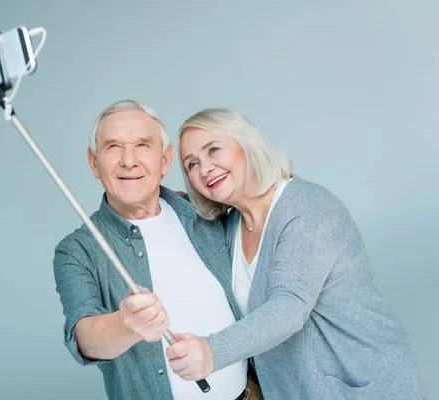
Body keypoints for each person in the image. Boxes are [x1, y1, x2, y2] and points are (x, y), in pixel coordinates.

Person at [166, 107, 428, 399]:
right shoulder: (234, 226)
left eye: (213, 150)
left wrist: (212, 351)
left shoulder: (306, 208)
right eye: (192, 164)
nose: (205, 168)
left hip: (367, 387)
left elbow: (288, 307)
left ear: (247, 145)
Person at [53, 100, 261, 400]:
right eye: (113, 146)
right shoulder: (76, 251)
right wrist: (127, 324)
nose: (128, 160)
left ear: (165, 160)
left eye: (142, 145)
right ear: (93, 161)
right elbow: (86, 340)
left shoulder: (204, 210)